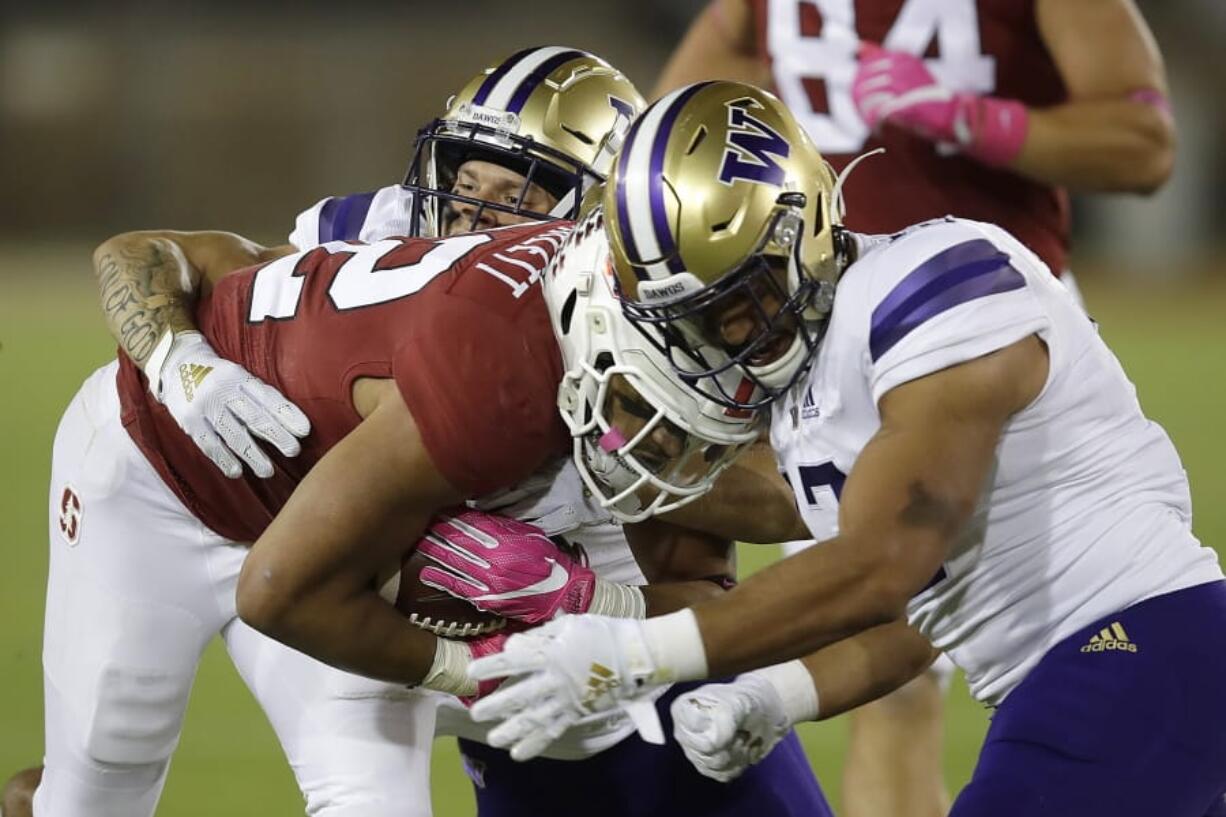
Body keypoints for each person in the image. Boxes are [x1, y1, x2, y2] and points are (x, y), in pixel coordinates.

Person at [15, 51, 831, 817]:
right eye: (464, 178)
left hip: (366, 529)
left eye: (517, 195)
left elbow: (730, 547)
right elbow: (164, 259)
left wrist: (583, 598)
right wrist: (178, 358)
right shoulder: (440, 299)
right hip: (211, 490)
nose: (473, 211)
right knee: (94, 785)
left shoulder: (634, 316)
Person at [463, 81, 1226, 817]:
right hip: (1106, 672)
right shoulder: (804, 392)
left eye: (739, 297)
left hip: (1142, 645)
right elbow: (927, 616)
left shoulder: (936, 282)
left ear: (807, 225)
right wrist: (779, 694)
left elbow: (882, 564)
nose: (724, 335)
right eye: (691, 318)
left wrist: (633, 653)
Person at [652, 3, 1177, 812]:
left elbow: (1143, 147)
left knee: (1031, 619)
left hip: (978, 324)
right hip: (813, 345)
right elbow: (672, 133)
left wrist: (975, 120)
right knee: (888, 660)